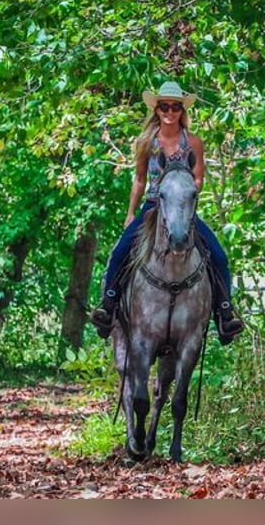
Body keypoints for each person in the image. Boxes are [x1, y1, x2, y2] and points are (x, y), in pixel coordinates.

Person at [91, 81, 244, 345]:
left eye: (175, 107)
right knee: (120, 251)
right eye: (164, 106)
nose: (169, 112)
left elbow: (198, 179)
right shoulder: (147, 142)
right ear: (157, 109)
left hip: (183, 209)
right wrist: (130, 212)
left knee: (218, 255)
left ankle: (224, 311)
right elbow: (139, 179)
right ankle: (110, 302)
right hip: (152, 207)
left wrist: (181, 194)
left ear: (181, 110)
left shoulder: (193, 142)